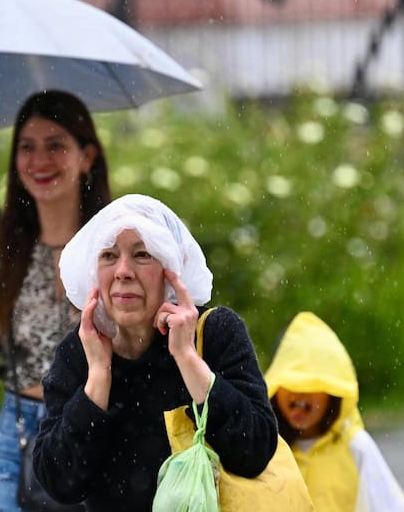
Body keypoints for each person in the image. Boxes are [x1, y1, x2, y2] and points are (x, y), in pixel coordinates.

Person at [32, 194, 278, 510]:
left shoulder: (215, 333)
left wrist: (187, 358)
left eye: (142, 254)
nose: (123, 271)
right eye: (108, 255)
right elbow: (60, 482)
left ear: (171, 269)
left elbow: (255, 451)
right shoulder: (79, 350)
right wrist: (97, 379)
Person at [0, 89, 111, 510]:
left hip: (97, 434)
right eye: (27, 148)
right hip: (18, 441)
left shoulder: (115, 248)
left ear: (87, 156)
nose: (40, 161)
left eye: (56, 146)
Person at [265, 311, 404, 512]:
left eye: (311, 385)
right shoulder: (267, 449)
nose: (300, 393)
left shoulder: (356, 448)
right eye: (292, 383)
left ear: (333, 393)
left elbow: (387, 506)